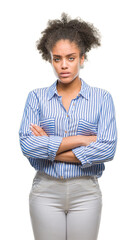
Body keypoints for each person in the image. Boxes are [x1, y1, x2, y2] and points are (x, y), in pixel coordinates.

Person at [19, 13, 117, 240]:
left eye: (71, 58)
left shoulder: (102, 99)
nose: (63, 65)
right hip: (45, 191)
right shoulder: (36, 98)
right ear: (50, 59)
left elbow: (107, 149)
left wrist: (48, 147)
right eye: (57, 58)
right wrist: (83, 140)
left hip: (86, 192)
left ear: (82, 59)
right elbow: (27, 146)